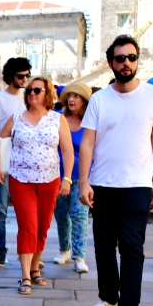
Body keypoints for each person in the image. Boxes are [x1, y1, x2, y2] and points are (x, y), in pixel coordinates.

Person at [78, 35, 153, 306]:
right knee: (104, 246)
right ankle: (108, 298)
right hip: (102, 184)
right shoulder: (100, 99)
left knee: (132, 247)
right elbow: (87, 143)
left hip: (137, 184)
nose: (126, 63)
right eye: (120, 58)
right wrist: (83, 181)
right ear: (111, 63)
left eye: (131, 57)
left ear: (137, 60)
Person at [0, 77, 74, 294]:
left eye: (38, 90)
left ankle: (36, 268)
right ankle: (25, 275)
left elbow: (67, 150)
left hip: (50, 179)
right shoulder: (16, 118)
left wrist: (67, 178)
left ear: (48, 94)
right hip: (21, 180)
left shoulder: (57, 119)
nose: (32, 93)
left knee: (43, 225)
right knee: (28, 226)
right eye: (29, 90)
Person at [0, 57, 32, 267]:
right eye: (21, 76)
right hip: (4, 156)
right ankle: (0, 250)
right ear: (11, 76)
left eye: (27, 75)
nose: (25, 79)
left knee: (28, 209)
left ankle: (29, 251)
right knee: (1, 208)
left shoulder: (29, 98)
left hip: (26, 157)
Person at [53, 83, 91, 273]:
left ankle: (79, 256)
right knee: (61, 215)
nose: (72, 99)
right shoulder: (59, 119)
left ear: (84, 101)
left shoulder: (89, 122)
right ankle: (64, 249)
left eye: (76, 96)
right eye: (69, 96)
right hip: (58, 175)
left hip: (81, 175)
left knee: (79, 215)